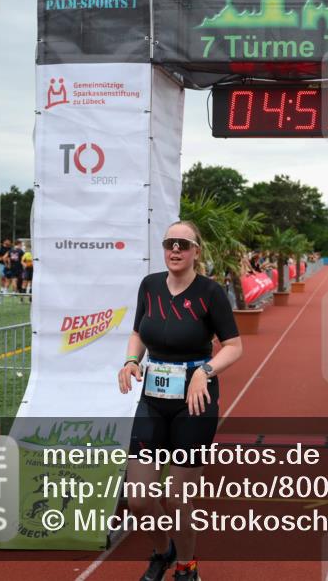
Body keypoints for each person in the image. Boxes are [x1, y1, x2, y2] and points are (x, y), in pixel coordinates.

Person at [117, 221, 242, 581]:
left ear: (196, 252)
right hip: (153, 398)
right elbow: (138, 332)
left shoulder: (210, 293)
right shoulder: (150, 285)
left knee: (176, 497)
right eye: (170, 243)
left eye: (183, 244)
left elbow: (234, 346)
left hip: (195, 401)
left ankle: (187, 566)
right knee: (138, 498)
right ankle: (163, 552)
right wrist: (131, 360)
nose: (175, 249)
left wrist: (205, 370)